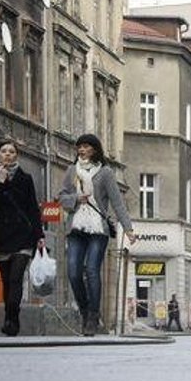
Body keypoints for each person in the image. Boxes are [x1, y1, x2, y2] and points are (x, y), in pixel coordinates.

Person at [58, 134, 136, 336]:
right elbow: (61, 196)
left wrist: (128, 229)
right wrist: (76, 199)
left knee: (92, 270)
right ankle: (85, 311)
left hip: (98, 229)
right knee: (73, 272)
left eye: (85, 147)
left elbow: (117, 202)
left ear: (94, 149)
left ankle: (93, 316)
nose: (81, 150)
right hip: (76, 227)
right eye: (79, 147)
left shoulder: (106, 172)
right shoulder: (71, 170)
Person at [0, 141, 45, 337]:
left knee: (16, 278)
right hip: (2, 235)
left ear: (16, 155)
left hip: (23, 236)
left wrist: (39, 235)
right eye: (4, 151)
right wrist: (1, 180)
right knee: (7, 281)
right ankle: (11, 318)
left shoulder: (25, 179)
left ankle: (11, 318)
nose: (7, 154)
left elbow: (33, 208)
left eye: (11, 152)